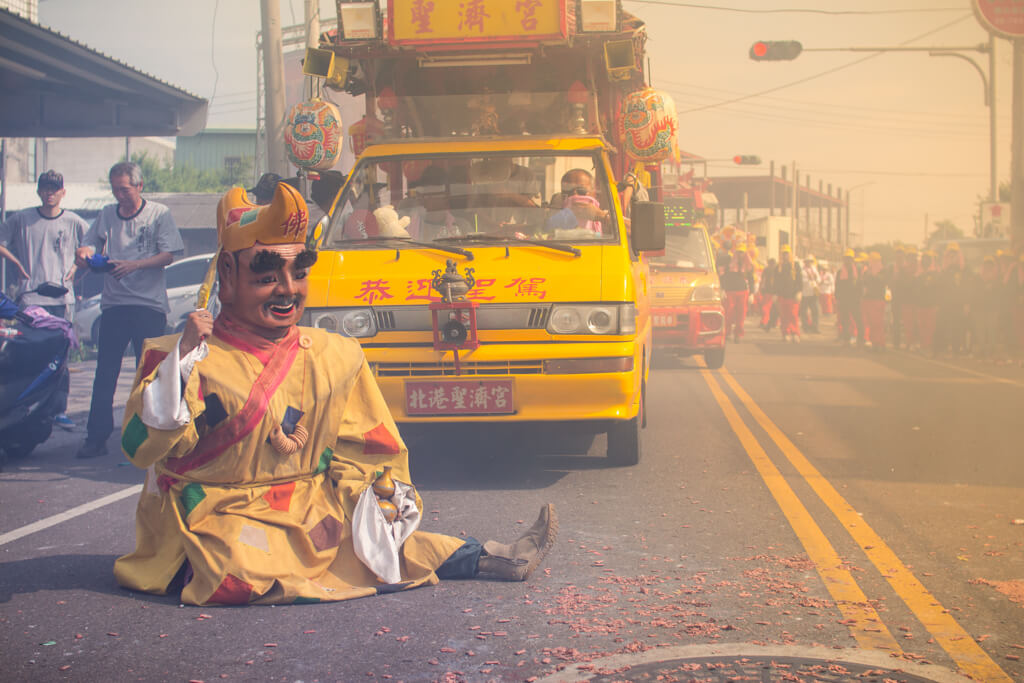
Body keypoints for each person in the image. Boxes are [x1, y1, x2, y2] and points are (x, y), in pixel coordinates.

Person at [112, 183, 557, 605]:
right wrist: (184, 362)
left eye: (299, 272)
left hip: (309, 508)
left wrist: (378, 497)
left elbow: (370, 447)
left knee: (375, 543)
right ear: (227, 274)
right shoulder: (180, 356)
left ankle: (486, 556)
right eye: (268, 275)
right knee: (237, 562)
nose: (288, 289)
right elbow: (141, 445)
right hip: (217, 514)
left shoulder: (334, 354)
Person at [73, 162, 185, 459]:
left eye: (124, 189)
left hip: (149, 305)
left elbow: (169, 254)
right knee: (105, 372)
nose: (119, 195)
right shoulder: (107, 214)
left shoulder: (158, 213)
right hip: (114, 304)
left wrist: (134, 265)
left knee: (150, 375)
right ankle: (96, 437)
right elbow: (88, 246)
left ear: (139, 186)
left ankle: (153, 437)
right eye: (115, 189)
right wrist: (85, 254)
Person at [0, 170, 87, 430]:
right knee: (28, 354)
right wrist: (15, 261)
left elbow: (93, 249)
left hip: (61, 298)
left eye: (54, 188)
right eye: (45, 188)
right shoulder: (21, 219)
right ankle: (27, 406)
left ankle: (58, 408)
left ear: (63, 192)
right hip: (29, 299)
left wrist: (76, 270)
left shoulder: (74, 221)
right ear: (39, 191)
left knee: (61, 356)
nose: (50, 193)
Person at [546, 168, 608, 233]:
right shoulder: (556, 218)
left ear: (594, 193)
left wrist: (602, 217)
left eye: (581, 190)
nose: (575, 194)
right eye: (568, 190)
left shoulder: (607, 216)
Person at [720, 246, 754, 343]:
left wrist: (751, 293)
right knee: (728, 313)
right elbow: (723, 276)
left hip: (743, 292)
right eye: (739, 252)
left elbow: (751, 279)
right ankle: (727, 332)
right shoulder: (729, 263)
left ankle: (738, 334)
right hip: (730, 292)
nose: (740, 254)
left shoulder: (748, 265)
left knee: (741, 315)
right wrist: (722, 289)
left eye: (742, 252)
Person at [859, 252, 888, 351]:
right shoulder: (868, 272)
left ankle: (880, 343)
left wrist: (873, 274)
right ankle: (875, 343)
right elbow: (864, 282)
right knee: (871, 323)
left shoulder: (883, 271)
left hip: (878, 300)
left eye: (873, 261)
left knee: (878, 323)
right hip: (868, 300)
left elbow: (882, 282)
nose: (871, 263)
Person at [774, 245, 802, 342]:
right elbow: (776, 282)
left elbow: (799, 280)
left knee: (793, 315)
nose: (785, 255)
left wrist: (799, 292)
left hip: (793, 295)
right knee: (784, 316)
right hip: (782, 295)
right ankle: (786, 332)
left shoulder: (796, 266)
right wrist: (775, 294)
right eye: (783, 253)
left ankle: (795, 333)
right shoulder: (778, 267)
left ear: (790, 254)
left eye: (786, 253)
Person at [834, 249, 862, 346]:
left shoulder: (857, 271)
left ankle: (860, 338)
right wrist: (837, 299)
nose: (847, 261)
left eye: (849, 258)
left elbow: (860, 285)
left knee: (858, 319)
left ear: (852, 260)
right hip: (843, 300)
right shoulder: (840, 272)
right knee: (845, 320)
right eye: (846, 258)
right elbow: (837, 286)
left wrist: (859, 297)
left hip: (855, 300)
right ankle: (846, 338)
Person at [799, 255, 821, 334]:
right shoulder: (802, 270)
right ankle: (805, 327)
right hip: (805, 293)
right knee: (804, 311)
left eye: (810, 261)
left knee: (815, 311)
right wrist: (809, 278)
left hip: (813, 292)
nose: (809, 263)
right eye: (808, 261)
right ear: (805, 262)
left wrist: (815, 278)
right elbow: (801, 280)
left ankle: (815, 327)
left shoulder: (814, 269)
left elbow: (819, 279)